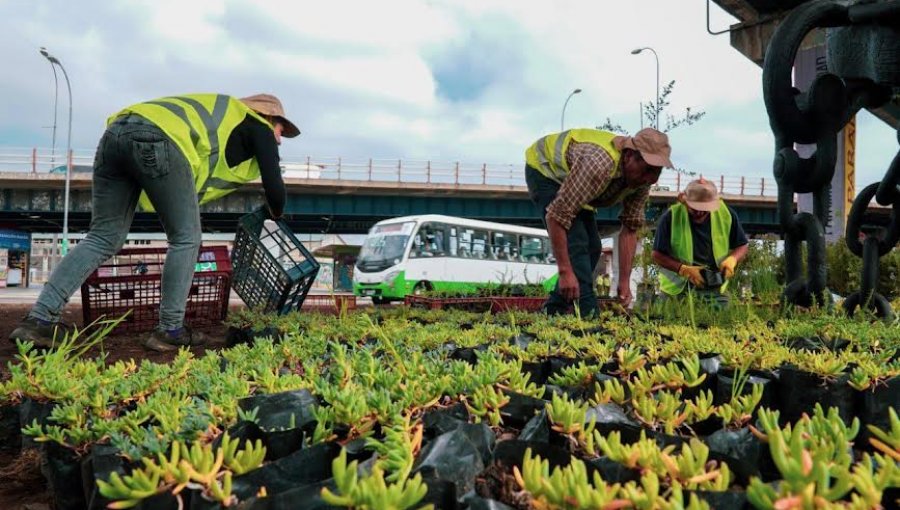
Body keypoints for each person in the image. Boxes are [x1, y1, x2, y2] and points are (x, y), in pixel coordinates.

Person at [9, 93, 299, 351]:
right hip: (157, 140)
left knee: (102, 238)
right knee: (186, 239)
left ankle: (39, 320)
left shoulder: (220, 120)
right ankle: (170, 330)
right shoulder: (257, 125)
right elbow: (275, 187)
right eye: (280, 129)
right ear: (266, 116)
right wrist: (276, 212)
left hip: (114, 136)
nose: (279, 138)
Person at [524, 127, 673, 315]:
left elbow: (630, 229)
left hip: (576, 182)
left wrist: (624, 282)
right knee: (577, 245)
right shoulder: (599, 165)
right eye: (647, 170)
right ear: (628, 156)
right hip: (546, 170)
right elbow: (555, 217)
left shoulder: (642, 182)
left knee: (594, 248)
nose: (650, 179)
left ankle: (554, 310)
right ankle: (588, 315)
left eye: (657, 172)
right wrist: (564, 272)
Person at [652, 178, 749, 306]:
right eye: (694, 207)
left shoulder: (726, 215)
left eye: (704, 208)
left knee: (722, 321)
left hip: (715, 289)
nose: (699, 212)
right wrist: (683, 269)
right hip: (676, 291)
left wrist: (733, 259)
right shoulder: (671, 217)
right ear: (685, 201)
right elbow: (657, 255)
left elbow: (742, 245)